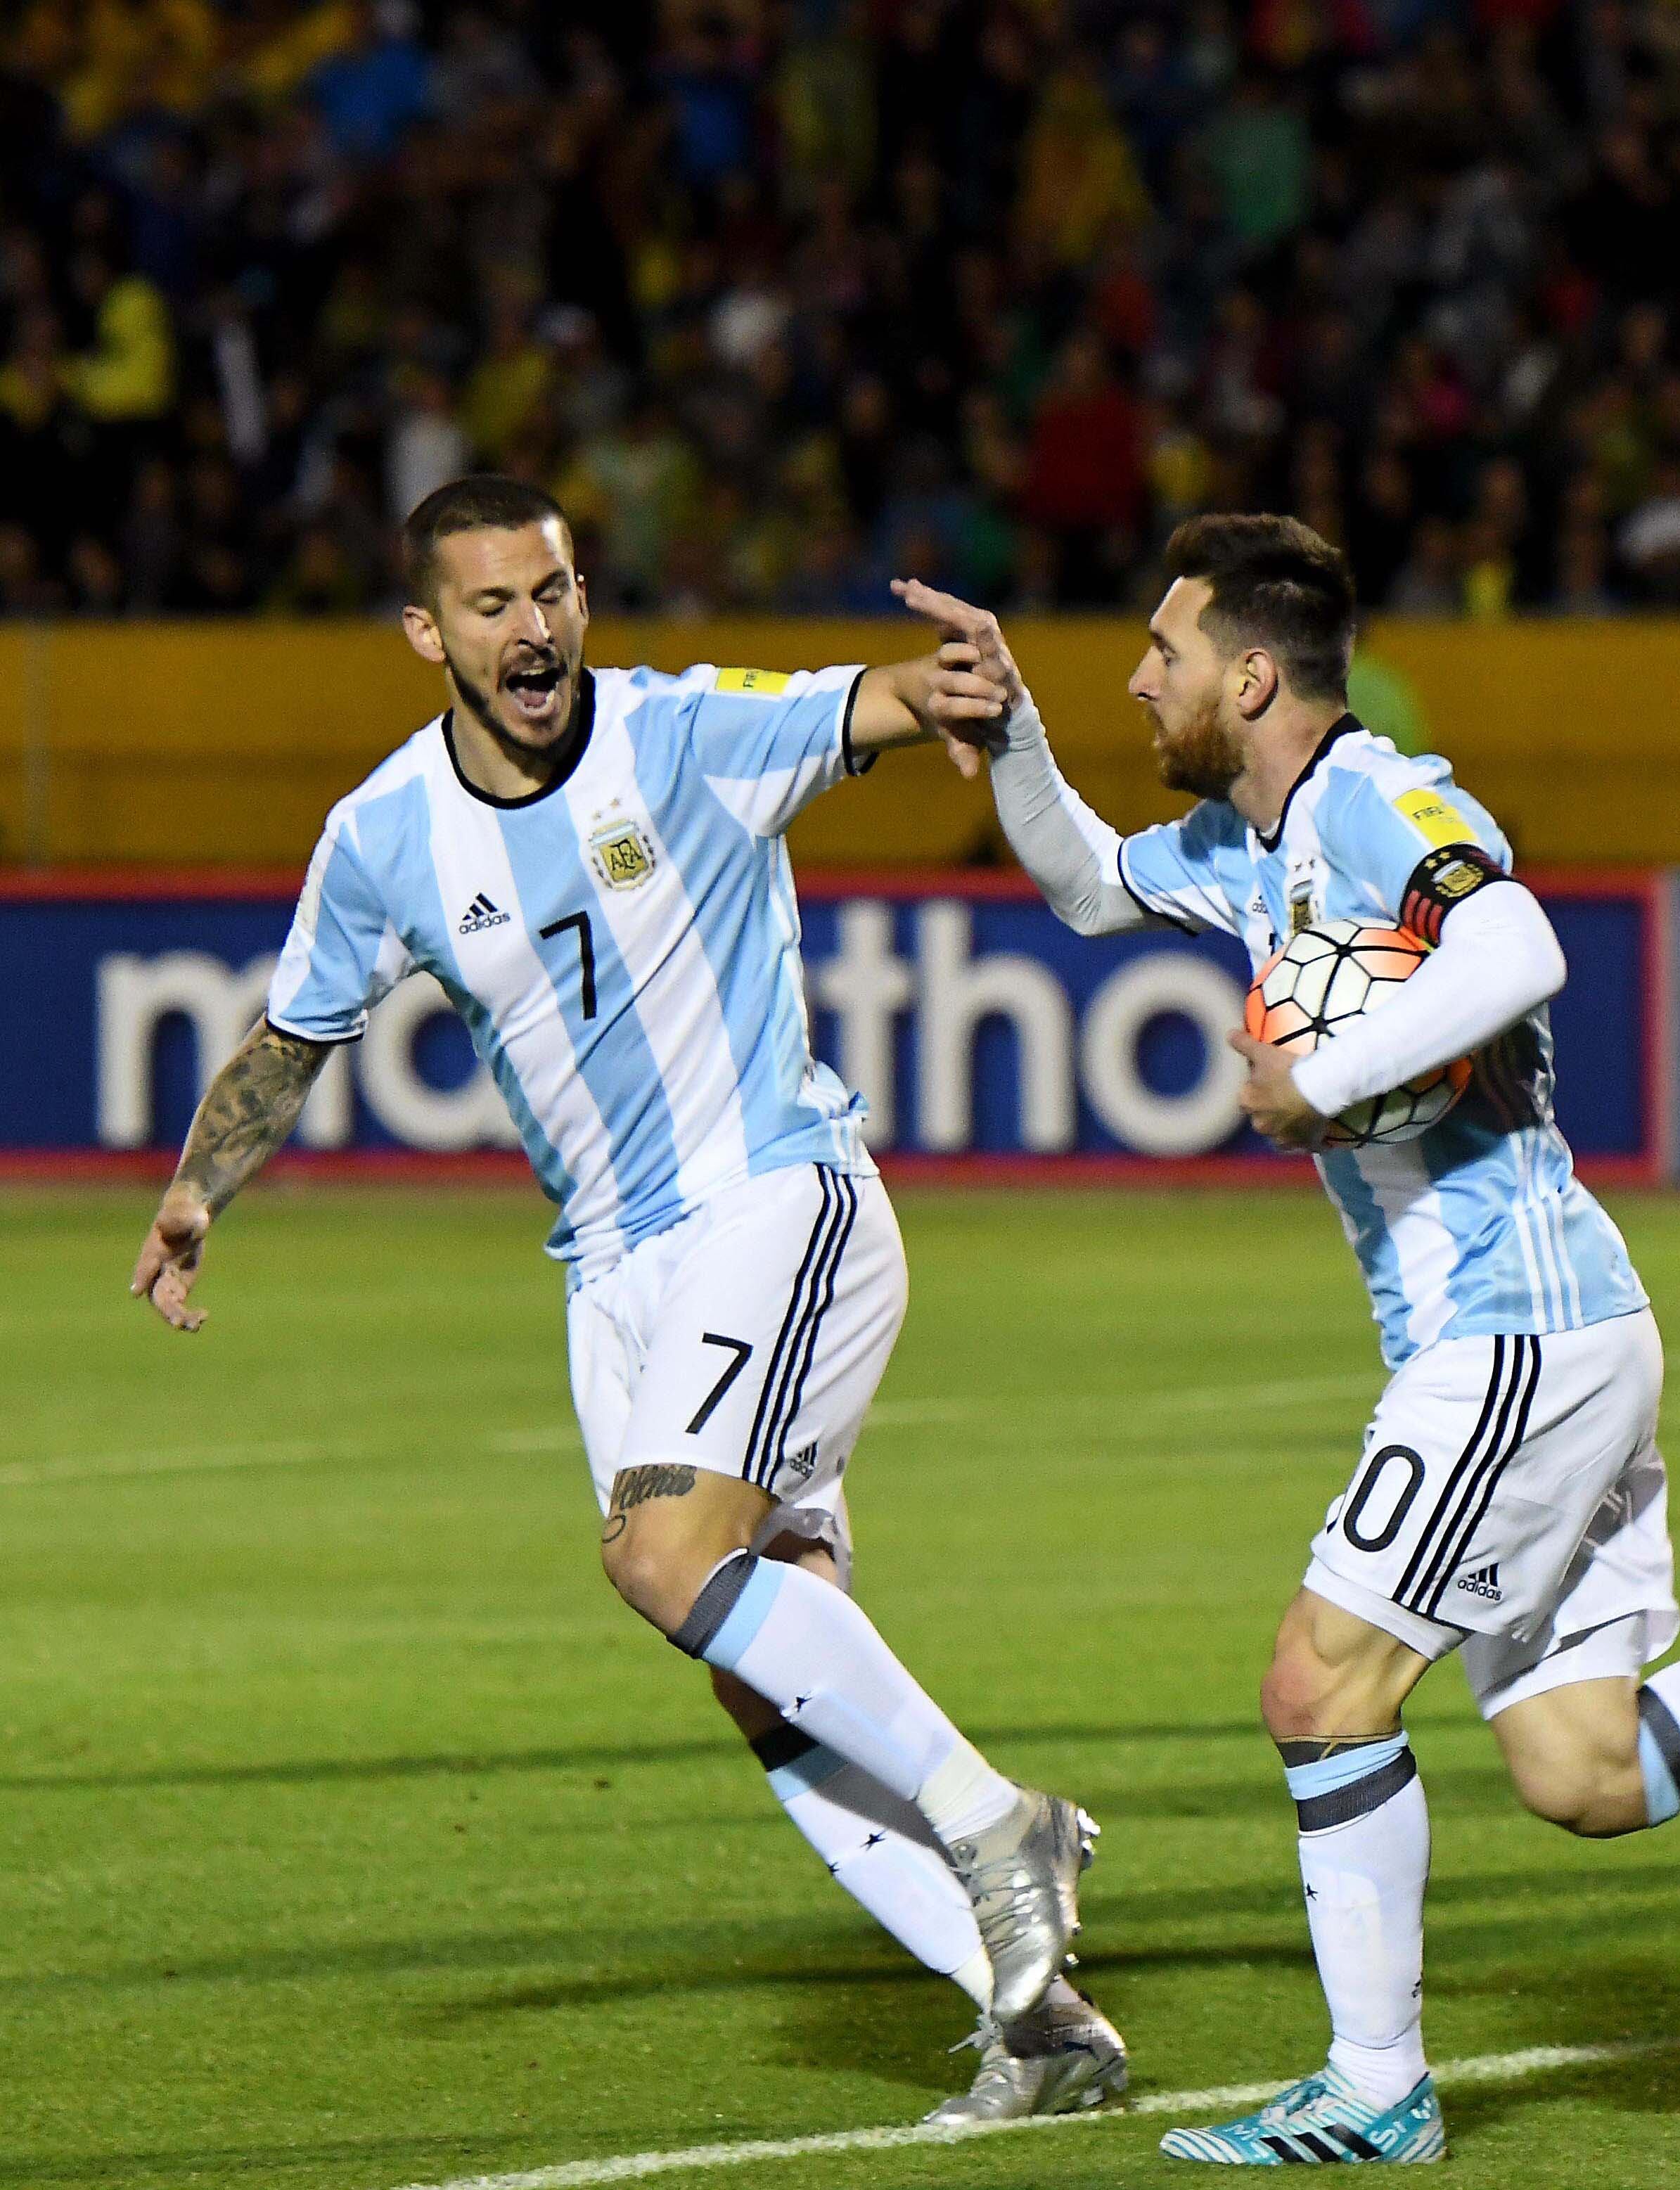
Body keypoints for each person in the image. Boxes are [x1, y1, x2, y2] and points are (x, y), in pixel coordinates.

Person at [949, 515, 1680, 2163]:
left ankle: (1377, 2085)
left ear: (1248, 671)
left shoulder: (1383, 794)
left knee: (1317, 1683)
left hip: (1510, 1328)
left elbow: (1519, 943)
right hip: (1555, 1331)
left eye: (1162, 652)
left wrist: (1334, 1073)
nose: (1137, 679)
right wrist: (1007, 720)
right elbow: (1085, 881)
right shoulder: (1246, 845)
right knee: (1583, 1766)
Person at [122, 477, 1122, 2121]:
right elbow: (296, 1028)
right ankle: (1033, 2018)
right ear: (428, 633)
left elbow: (863, 703)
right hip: (610, 1277)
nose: (539, 629)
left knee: (665, 1552)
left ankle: (997, 1819)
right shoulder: (385, 835)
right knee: (760, 1652)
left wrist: (952, 690)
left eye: (559, 591)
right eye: (499, 605)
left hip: (775, 1195)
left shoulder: (687, 736)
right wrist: (195, 1183)